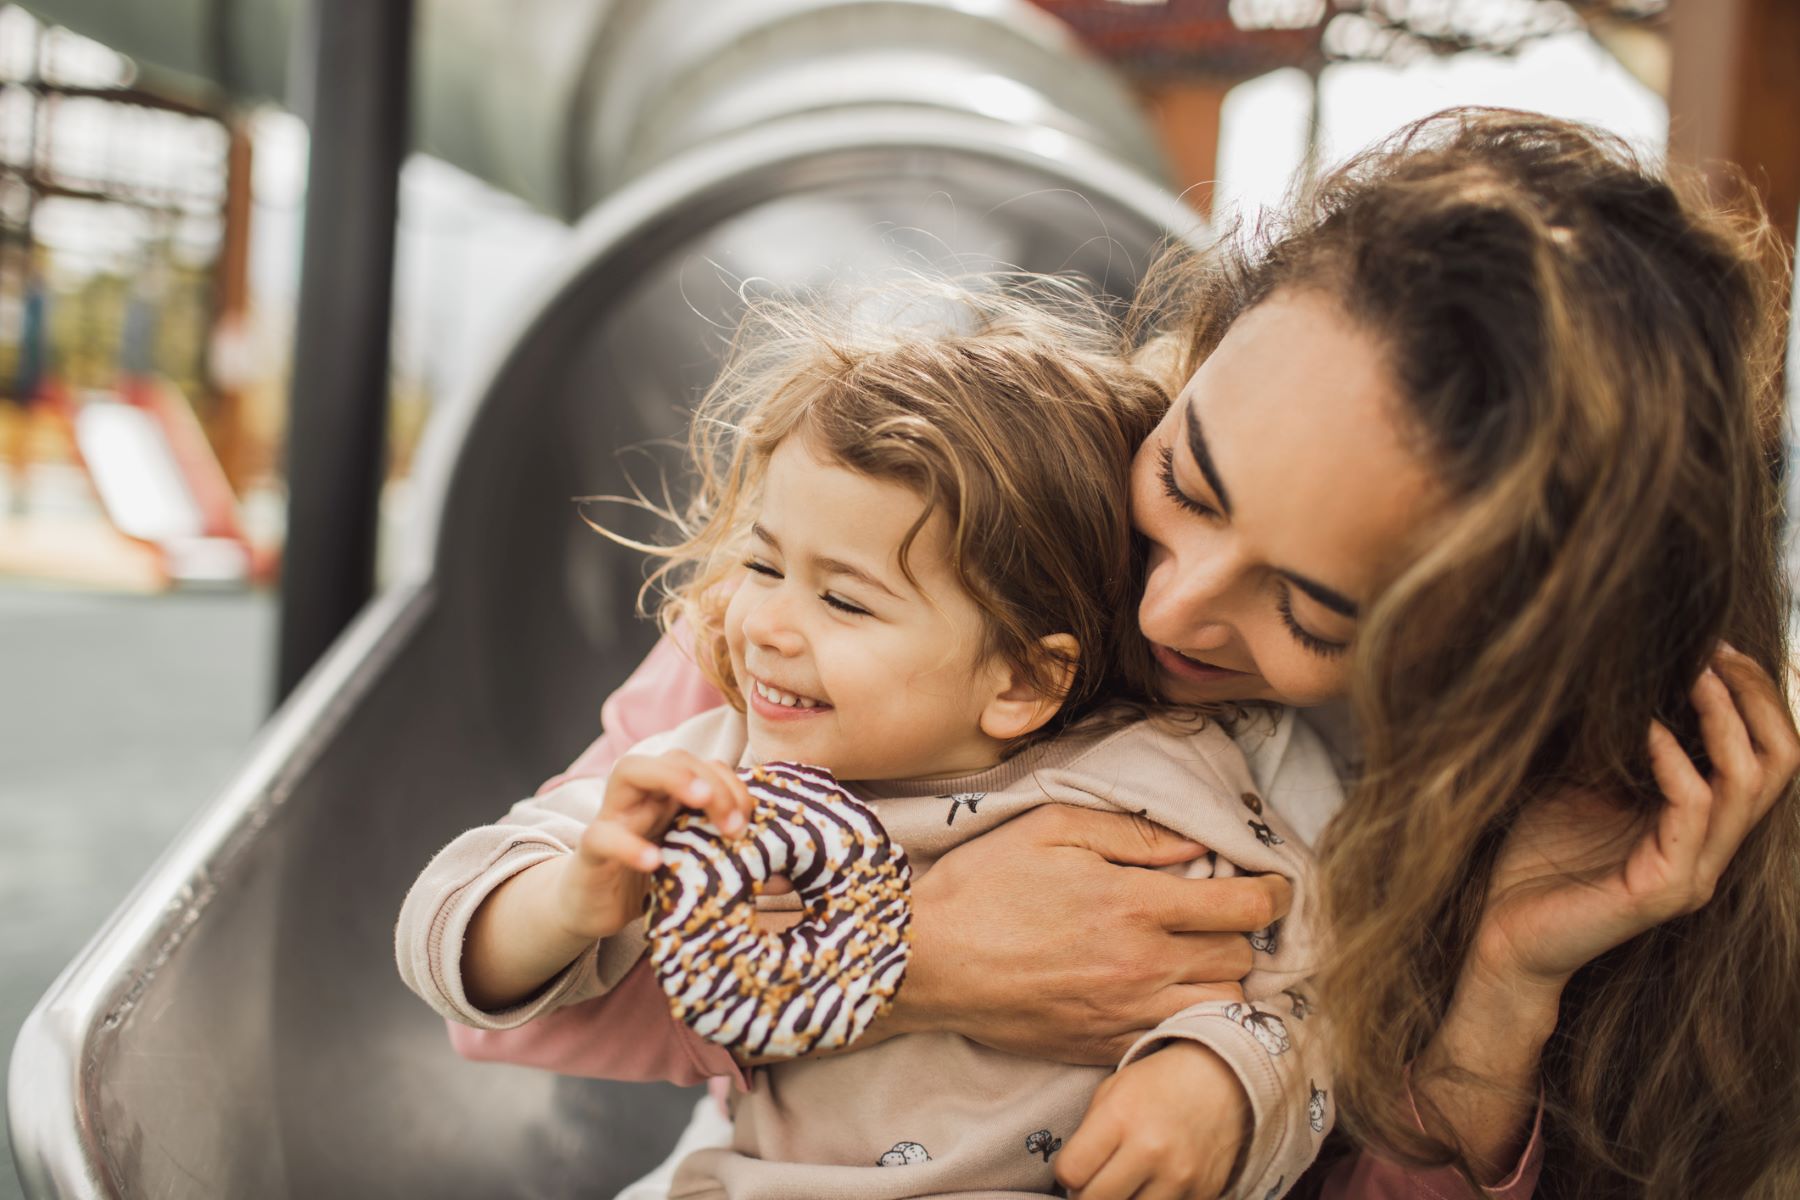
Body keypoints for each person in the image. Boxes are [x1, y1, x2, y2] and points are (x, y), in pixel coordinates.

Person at [443, 109, 1800, 1198]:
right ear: (1202, 350)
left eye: (1314, 613)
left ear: (1490, 657)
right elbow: (520, 1009)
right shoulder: (910, 554)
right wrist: (910, 952)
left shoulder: (1488, 806)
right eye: (1189, 479)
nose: (1174, 612)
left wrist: (1500, 985)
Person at [398, 280, 1343, 1198]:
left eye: (843, 598)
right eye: (763, 562)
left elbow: (1310, 984)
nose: (764, 621)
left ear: (1018, 679)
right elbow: (451, 926)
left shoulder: (1166, 777)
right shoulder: (729, 768)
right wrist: (568, 899)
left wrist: (1219, 1074)